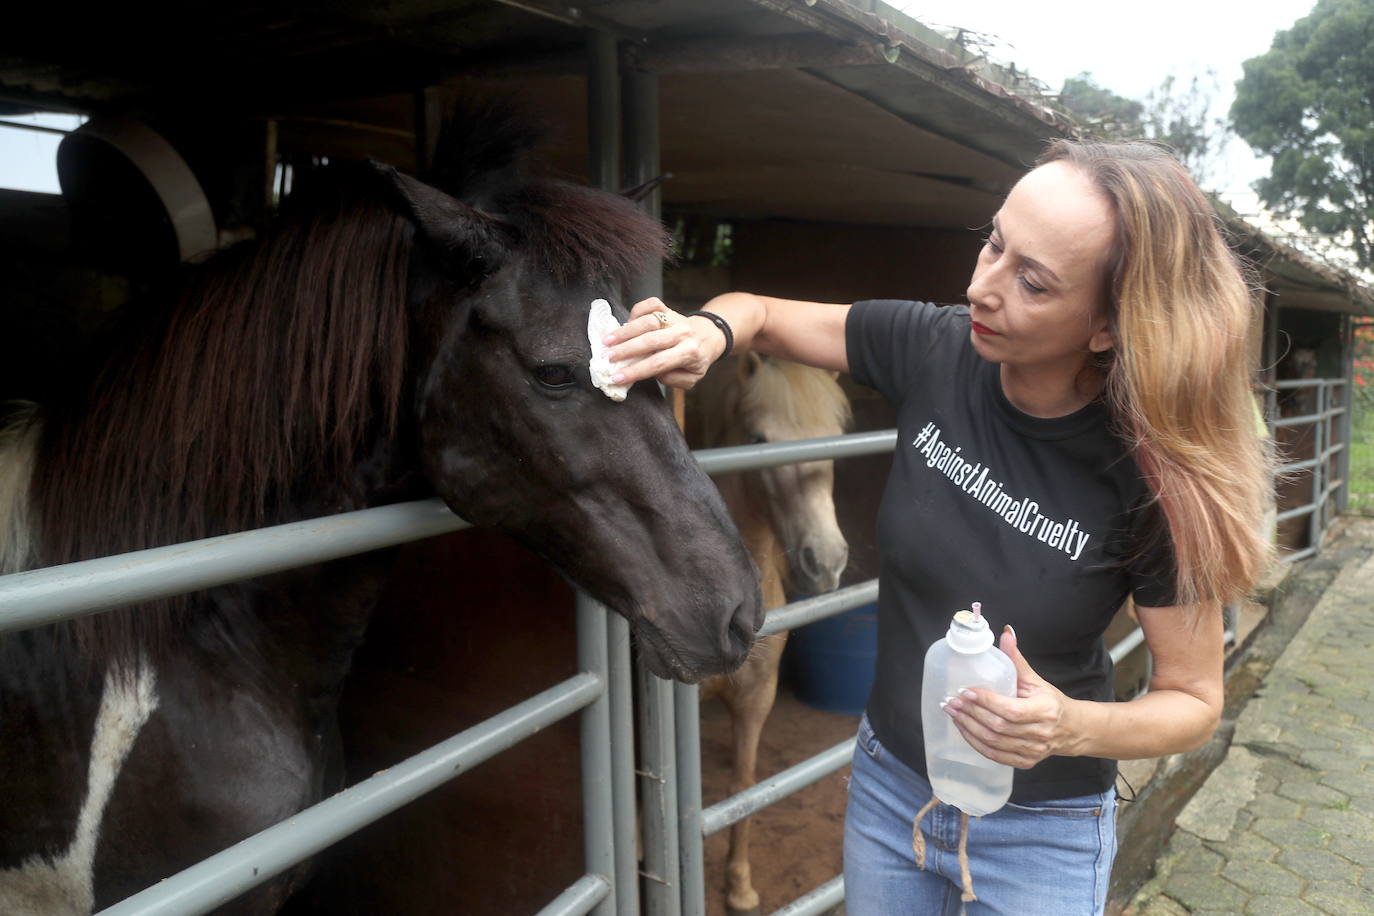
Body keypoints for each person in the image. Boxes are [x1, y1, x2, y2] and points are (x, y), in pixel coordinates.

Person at [600, 139, 1274, 915]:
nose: (981, 288)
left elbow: (1193, 699)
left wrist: (1067, 725)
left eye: (1033, 281)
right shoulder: (938, 347)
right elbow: (764, 317)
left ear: (1107, 327)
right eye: (994, 242)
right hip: (891, 794)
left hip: (1040, 834)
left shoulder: (1156, 479)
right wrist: (707, 334)